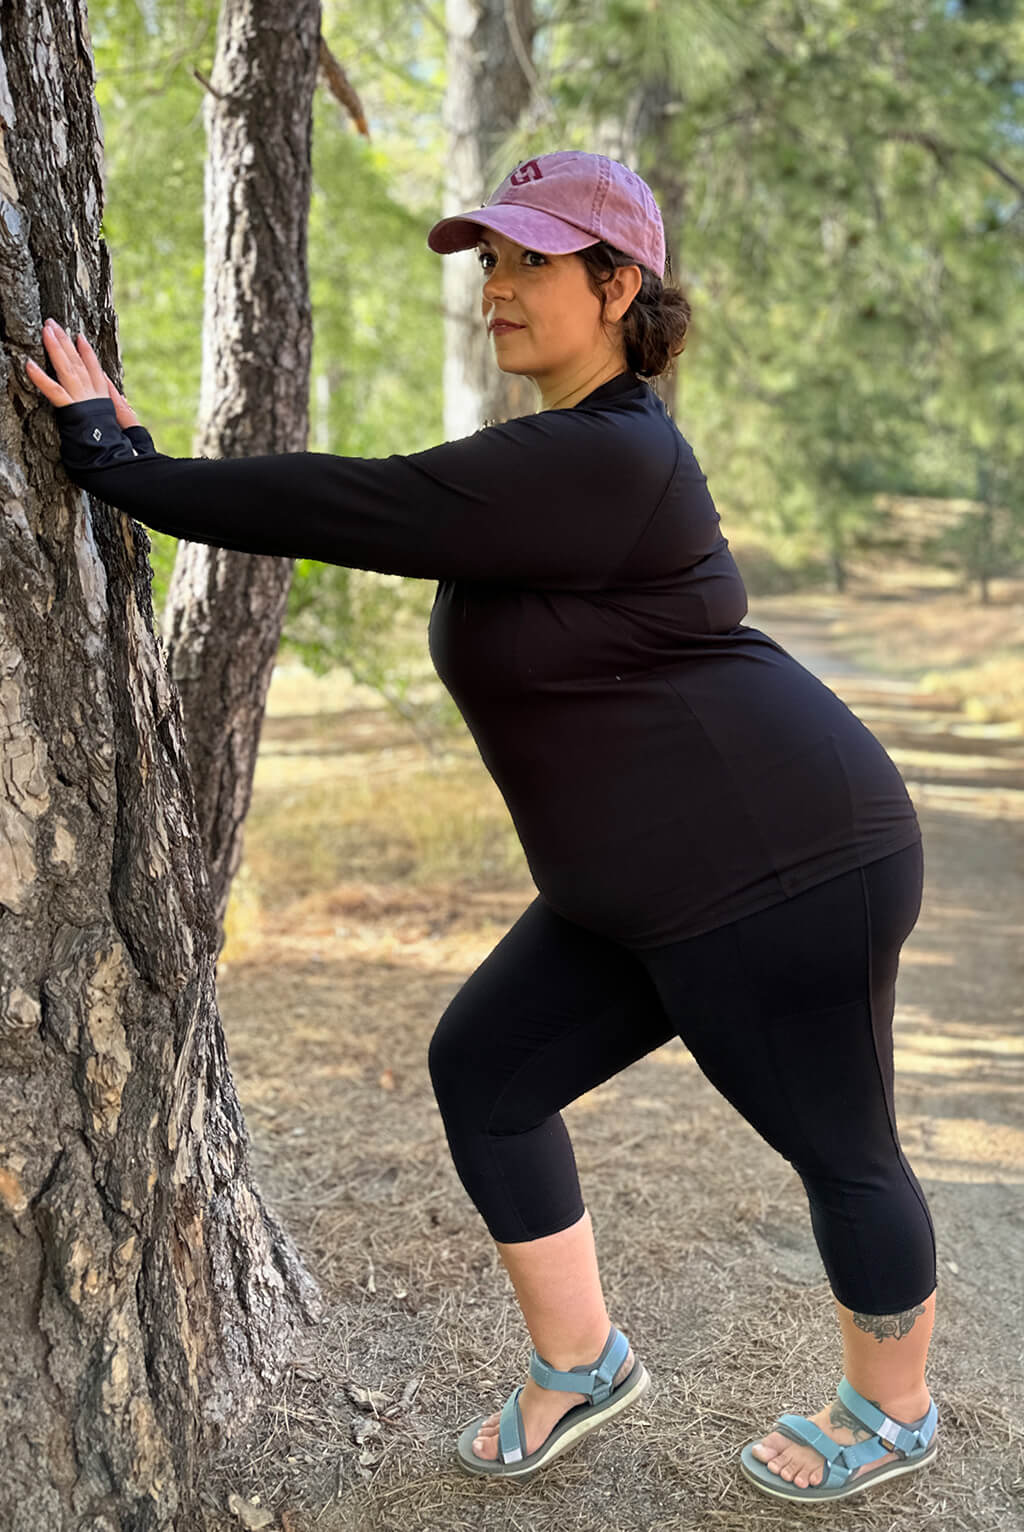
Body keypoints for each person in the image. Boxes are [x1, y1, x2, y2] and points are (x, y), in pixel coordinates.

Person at [26, 149, 939, 1504]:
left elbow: (362, 503)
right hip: (635, 891)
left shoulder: (611, 452)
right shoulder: (557, 465)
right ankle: (586, 1364)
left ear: (618, 284)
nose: (496, 291)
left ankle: (894, 1410)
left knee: (839, 1146)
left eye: (530, 264)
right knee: (489, 1075)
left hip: (783, 869)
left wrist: (125, 463)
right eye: (490, 264)